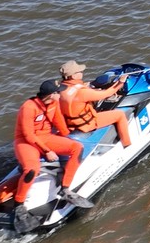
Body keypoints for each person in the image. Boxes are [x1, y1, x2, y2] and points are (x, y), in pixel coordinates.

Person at [12, 79, 91, 209]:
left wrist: (68, 135)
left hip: (45, 137)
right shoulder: (28, 107)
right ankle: (19, 205)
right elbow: (28, 135)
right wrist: (47, 151)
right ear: (51, 95)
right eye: (58, 92)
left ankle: (65, 189)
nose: (61, 94)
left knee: (77, 148)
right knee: (32, 170)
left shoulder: (54, 102)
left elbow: (58, 121)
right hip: (25, 141)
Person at [57, 60, 133, 150]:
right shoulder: (82, 92)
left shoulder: (59, 89)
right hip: (86, 125)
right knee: (119, 115)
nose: (82, 72)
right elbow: (107, 94)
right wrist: (120, 82)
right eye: (80, 72)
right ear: (73, 76)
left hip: (70, 124)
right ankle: (127, 145)